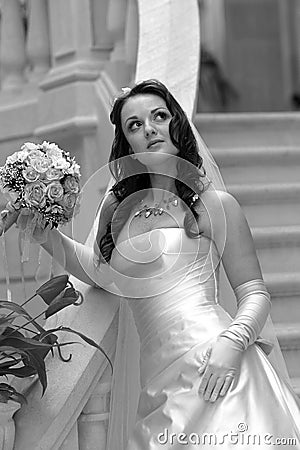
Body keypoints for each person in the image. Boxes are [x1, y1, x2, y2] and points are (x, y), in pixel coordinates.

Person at [1, 79, 300, 449]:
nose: (149, 129)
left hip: (217, 363)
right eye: (135, 125)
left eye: (159, 116)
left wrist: (233, 343)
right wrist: (41, 227)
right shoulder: (119, 208)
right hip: (157, 380)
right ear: (129, 145)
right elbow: (99, 273)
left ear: (176, 124)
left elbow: (255, 291)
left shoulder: (216, 205)